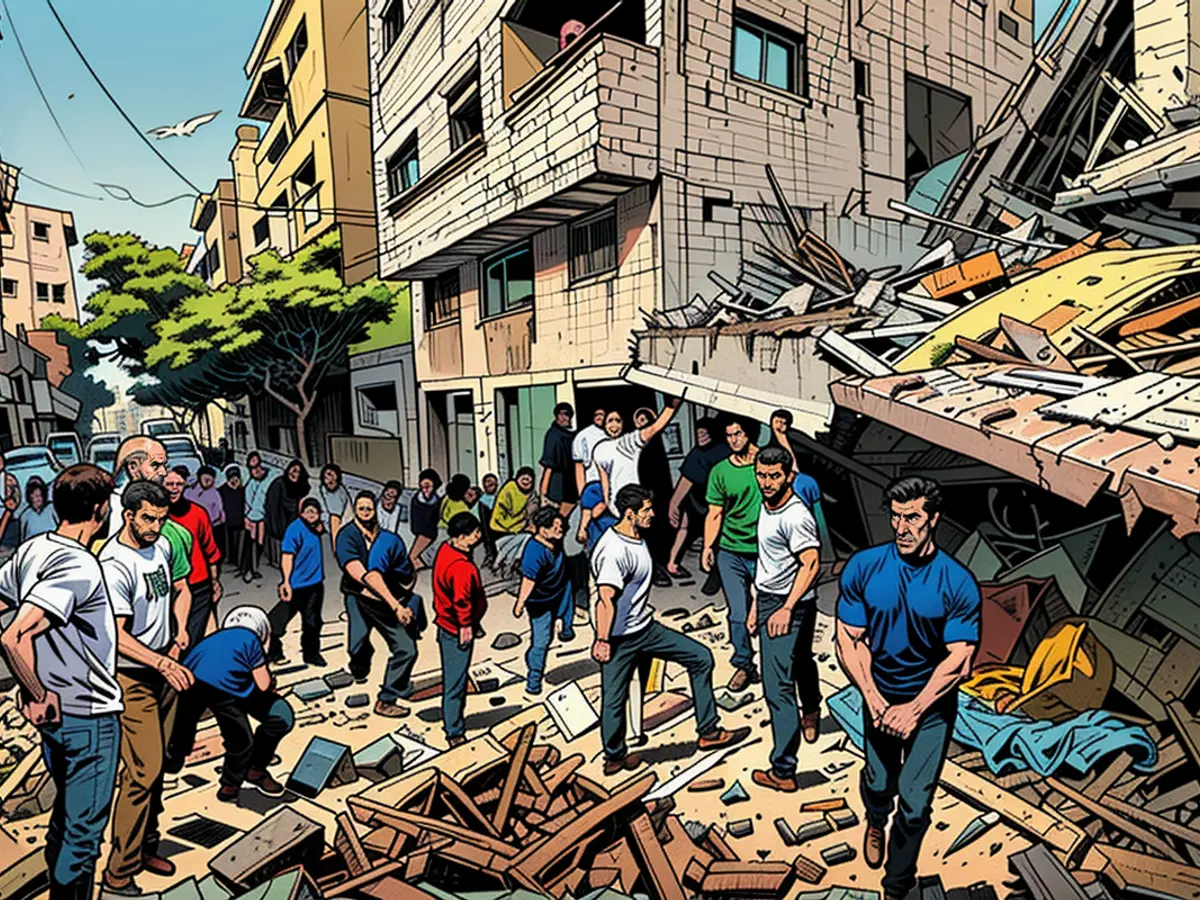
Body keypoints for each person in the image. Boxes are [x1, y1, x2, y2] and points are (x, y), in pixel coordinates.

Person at [835, 477, 980, 900]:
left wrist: (914, 709)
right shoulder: (864, 567)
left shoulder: (957, 582)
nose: (902, 528)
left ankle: (896, 886)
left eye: (913, 517)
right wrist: (875, 699)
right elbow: (848, 638)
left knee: (915, 804)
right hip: (879, 695)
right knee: (879, 784)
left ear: (933, 519)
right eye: (896, 518)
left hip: (931, 708)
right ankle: (875, 819)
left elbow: (959, 659)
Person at [0, 464, 118, 900]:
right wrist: (34, 689)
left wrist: (29, 685)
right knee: (83, 840)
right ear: (100, 510)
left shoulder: (33, 550)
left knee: (65, 821)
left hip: (56, 722)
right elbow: (15, 636)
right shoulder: (78, 564)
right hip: (88, 715)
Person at [591, 484, 751, 775]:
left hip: (645, 628)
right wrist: (603, 639)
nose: (653, 514)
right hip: (618, 637)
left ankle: (708, 732)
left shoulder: (636, 537)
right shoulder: (613, 550)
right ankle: (614, 757)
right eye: (647, 510)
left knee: (700, 657)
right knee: (614, 698)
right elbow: (605, 599)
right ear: (630, 514)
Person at [100, 481, 194, 894]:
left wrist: (179, 634)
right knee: (142, 772)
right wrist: (160, 661)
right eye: (148, 519)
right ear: (128, 515)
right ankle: (119, 870)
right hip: (131, 676)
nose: (156, 527)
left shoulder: (163, 547)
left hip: (163, 665)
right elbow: (115, 636)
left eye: (161, 518)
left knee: (160, 768)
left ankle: (146, 846)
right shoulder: (113, 562)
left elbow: (181, 589)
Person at [746, 447, 822, 794]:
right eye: (761, 475)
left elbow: (811, 563)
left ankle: (783, 770)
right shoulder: (766, 505)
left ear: (788, 475)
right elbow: (769, 560)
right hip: (772, 600)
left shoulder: (795, 515)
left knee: (777, 686)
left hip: (788, 604)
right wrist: (755, 604)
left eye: (774, 475)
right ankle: (812, 711)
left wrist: (786, 608)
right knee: (802, 661)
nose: (766, 482)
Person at [167, 607, 293, 804]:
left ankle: (173, 762)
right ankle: (235, 781)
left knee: (186, 729)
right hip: (223, 690)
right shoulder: (251, 640)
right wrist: (272, 682)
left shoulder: (215, 638)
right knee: (246, 738)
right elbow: (263, 684)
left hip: (194, 686)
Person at [337, 492, 425, 717]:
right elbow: (360, 572)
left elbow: (406, 571)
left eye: (369, 508)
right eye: (361, 508)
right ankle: (359, 668)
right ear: (355, 510)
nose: (366, 512)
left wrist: (397, 601)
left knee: (406, 648)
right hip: (359, 595)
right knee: (357, 643)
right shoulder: (347, 536)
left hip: (386, 600)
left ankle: (388, 697)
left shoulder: (387, 538)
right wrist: (395, 604)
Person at [702, 416, 762, 693]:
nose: (733, 439)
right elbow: (715, 513)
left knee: (769, 610)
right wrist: (707, 547)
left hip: (765, 551)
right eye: (728, 435)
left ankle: (777, 663)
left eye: (738, 433)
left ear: (749, 434)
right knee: (737, 613)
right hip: (731, 551)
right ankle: (744, 664)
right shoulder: (720, 471)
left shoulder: (767, 466)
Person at [431, 512, 487, 747]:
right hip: (456, 628)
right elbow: (462, 600)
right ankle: (454, 731)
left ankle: (453, 724)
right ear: (462, 536)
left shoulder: (447, 550)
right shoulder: (461, 567)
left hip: (448, 622)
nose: (479, 536)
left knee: (454, 677)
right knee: (456, 680)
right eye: (475, 533)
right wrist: (466, 625)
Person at [514, 507, 573, 694]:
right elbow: (528, 581)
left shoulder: (556, 541)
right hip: (541, 602)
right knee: (542, 642)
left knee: (566, 620)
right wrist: (520, 603)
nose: (559, 529)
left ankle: (566, 628)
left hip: (561, 590)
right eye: (554, 526)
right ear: (541, 529)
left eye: (560, 525)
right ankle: (534, 679)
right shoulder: (534, 551)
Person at [165, 467, 223, 649]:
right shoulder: (156, 517)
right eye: (169, 484)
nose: (174, 488)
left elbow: (211, 552)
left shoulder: (198, 513)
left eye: (178, 484)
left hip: (199, 583)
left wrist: (214, 581)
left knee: (203, 636)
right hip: (170, 586)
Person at [593, 400, 681, 516]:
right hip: (617, 505)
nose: (614, 425)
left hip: (636, 502)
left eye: (618, 421)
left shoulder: (628, 441)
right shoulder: (599, 449)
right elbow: (604, 479)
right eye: (610, 421)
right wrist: (608, 504)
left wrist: (671, 406)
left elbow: (653, 429)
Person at [267, 498, 327, 666]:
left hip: (315, 585)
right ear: (301, 513)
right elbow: (287, 556)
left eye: (314, 512)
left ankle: (311, 654)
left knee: (313, 622)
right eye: (308, 511)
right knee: (277, 621)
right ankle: (273, 651)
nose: (311, 515)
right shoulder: (294, 529)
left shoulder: (316, 527)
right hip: (296, 586)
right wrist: (286, 582)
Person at [667, 417, 729, 578]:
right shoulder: (697, 452)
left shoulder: (723, 450)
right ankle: (672, 563)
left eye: (704, 433)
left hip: (716, 501)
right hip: (696, 498)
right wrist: (674, 504)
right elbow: (686, 479)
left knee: (717, 536)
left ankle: (714, 568)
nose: (700, 437)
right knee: (684, 528)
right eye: (698, 433)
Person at [769, 409, 832, 557]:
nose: (780, 426)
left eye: (784, 423)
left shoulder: (795, 439)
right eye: (777, 421)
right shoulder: (769, 446)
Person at [632, 406, 677, 586]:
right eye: (640, 420)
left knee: (662, 529)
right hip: (644, 494)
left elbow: (663, 471)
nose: (644, 423)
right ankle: (653, 567)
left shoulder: (657, 443)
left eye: (646, 419)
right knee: (647, 531)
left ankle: (664, 562)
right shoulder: (635, 443)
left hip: (661, 493)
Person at [265, 460, 310, 567]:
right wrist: (275, 527)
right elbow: (272, 506)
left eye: (299, 472)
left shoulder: (299, 486)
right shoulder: (279, 484)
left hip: (292, 520)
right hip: (280, 519)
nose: (296, 474)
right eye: (294, 470)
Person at [539, 402, 577, 515]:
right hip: (557, 484)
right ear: (556, 416)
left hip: (571, 482)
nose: (564, 418)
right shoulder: (553, 435)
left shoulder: (573, 435)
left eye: (567, 414)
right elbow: (549, 464)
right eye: (561, 414)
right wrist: (543, 492)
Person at [185, 466, 226, 564]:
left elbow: (220, 511)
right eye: (205, 476)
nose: (207, 479)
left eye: (210, 477)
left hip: (211, 528)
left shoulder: (215, 493)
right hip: (191, 528)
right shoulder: (189, 492)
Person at [243, 453, 271, 581]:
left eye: (258, 467)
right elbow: (248, 502)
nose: (257, 471)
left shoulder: (271, 476)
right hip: (253, 517)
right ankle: (250, 569)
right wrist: (247, 518)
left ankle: (255, 568)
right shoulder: (251, 484)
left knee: (260, 543)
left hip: (264, 516)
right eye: (253, 469)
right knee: (252, 542)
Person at [409, 468, 442, 570]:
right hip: (421, 533)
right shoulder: (417, 499)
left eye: (427, 486)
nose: (425, 489)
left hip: (430, 533)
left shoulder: (437, 500)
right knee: (413, 558)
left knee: (412, 558)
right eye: (422, 486)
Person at [572, 407, 607, 498]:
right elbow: (579, 466)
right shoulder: (583, 436)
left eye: (602, 414)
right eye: (597, 415)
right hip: (593, 483)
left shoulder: (614, 434)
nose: (599, 417)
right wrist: (582, 493)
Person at [218, 466, 246, 578]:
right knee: (229, 543)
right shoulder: (222, 490)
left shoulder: (242, 490)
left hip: (241, 521)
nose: (234, 480)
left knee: (240, 543)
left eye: (236, 478)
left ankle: (239, 563)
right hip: (227, 522)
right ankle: (231, 561)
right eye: (232, 478)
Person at [18, 476, 58, 541]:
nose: (38, 499)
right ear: (30, 497)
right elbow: (22, 539)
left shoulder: (52, 509)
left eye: (40, 496)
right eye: (35, 496)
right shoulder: (25, 515)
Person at [318, 464, 351, 541]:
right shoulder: (325, 489)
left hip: (340, 533)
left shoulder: (336, 493)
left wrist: (335, 547)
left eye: (332, 475)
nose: (330, 479)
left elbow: (335, 520)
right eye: (326, 477)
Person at [476, 473, 500, 564]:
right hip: (488, 528)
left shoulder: (500, 497)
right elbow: (483, 521)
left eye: (492, 484)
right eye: (487, 484)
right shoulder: (482, 501)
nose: (490, 487)